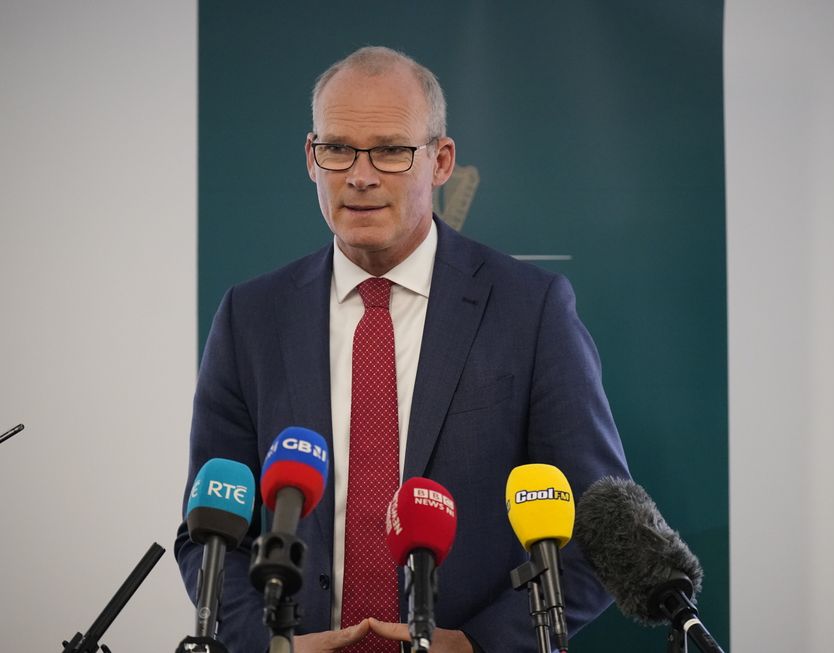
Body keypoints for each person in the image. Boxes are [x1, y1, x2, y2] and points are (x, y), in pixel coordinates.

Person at [175, 46, 630, 653]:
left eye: (390, 150)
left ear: (441, 161)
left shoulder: (531, 308)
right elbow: (208, 536)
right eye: (338, 149)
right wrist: (269, 646)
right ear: (312, 158)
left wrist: (480, 646)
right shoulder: (250, 317)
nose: (360, 175)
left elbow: (603, 532)